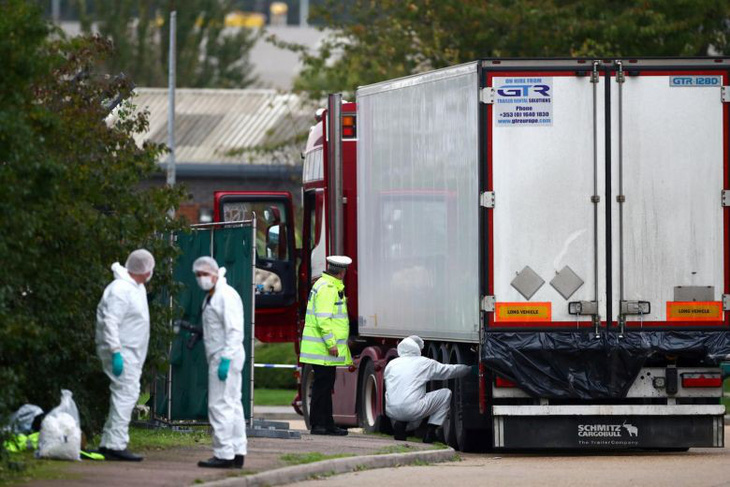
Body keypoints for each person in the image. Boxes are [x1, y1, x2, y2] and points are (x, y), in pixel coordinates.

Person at [95, 249, 155, 461]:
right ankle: (116, 445)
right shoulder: (120, 289)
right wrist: (115, 352)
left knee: (123, 395)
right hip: (122, 352)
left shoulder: (134, 287)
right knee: (126, 395)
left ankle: (108, 443)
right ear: (145, 269)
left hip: (130, 352)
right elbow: (110, 321)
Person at [193, 256, 247, 469]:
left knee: (219, 405)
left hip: (225, 356)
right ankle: (236, 452)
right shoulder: (214, 296)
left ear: (215, 273)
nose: (202, 279)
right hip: (223, 355)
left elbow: (234, 330)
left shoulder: (225, 295)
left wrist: (225, 359)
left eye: (205, 274)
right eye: (198, 275)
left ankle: (224, 453)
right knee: (232, 404)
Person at [299, 255, 353, 436]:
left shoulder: (325, 285)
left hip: (321, 350)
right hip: (322, 349)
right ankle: (320, 425)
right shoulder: (328, 288)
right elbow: (323, 320)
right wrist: (331, 343)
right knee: (323, 387)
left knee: (324, 386)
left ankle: (326, 424)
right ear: (342, 272)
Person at [384, 335, 470, 443]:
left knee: (405, 398)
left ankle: (400, 425)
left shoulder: (391, 364)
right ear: (417, 349)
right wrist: (468, 369)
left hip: (391, 410)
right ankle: (431, 432)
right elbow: (448, 371)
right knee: (445, 394)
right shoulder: (424, 362)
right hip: (413, 409)